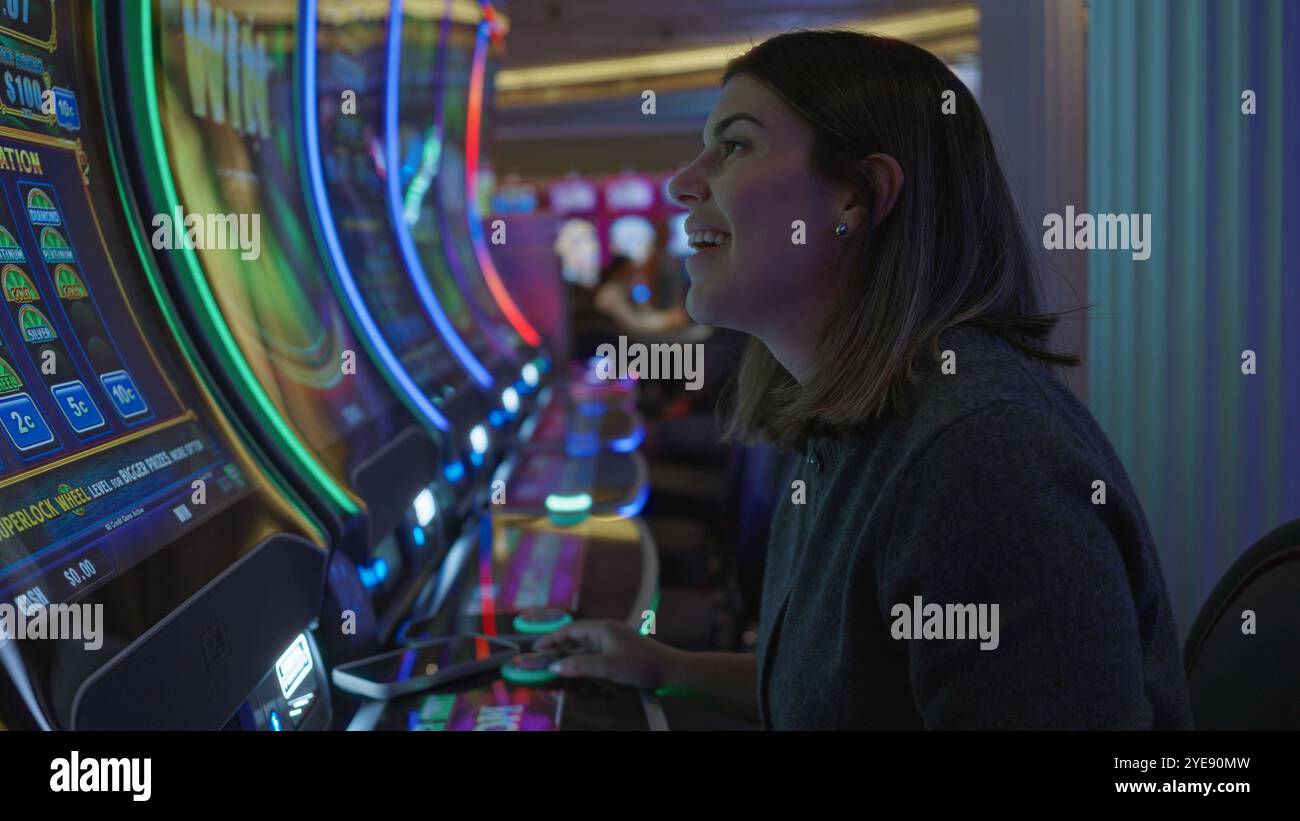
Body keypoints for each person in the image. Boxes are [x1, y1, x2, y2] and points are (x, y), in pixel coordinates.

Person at [539, 30, 1192, 730]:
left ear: (857, 197)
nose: (681, 181)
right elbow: (849, 693)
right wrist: (669, 667)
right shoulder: (851, 422)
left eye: (733, 145)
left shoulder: (981, 456)